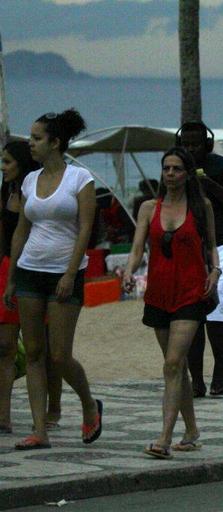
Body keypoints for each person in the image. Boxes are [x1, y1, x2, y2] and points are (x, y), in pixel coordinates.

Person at [3, 109, 102, 450]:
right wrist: (12, 279)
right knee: (33, 352)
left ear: (55, 142)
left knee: (59, 355)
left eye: (36, 138)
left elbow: (86, 228)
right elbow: (20, 232)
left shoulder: (80, 178)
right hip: (30, 269)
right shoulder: (30, 181)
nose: (29, 143)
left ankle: (89, 404)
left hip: (64, 271)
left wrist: (70, 273)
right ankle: (39, 429)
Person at [122, 147, 219, 458]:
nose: (171, 174)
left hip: (192, 292)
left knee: (173, 364)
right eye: (166, 168)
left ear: (187, 173)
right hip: (159, 293)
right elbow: (138, 249)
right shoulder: (149, 208)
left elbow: (213, 246)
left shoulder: (201, 206)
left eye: (177, 169)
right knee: (175, 369)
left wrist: (215, 271)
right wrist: (128, 270)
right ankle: (191, 430)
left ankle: (164, 438)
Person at [177, 121, 223, 398]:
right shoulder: (176, 170)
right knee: (192, 313)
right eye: (186, 144)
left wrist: (209, 184)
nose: (191, 149)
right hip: (188, 248)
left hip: (221, 245)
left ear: (207, 143)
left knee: (218, 309)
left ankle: (220, 371)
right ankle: (197, 378)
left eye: (196, 144)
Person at [0, 141, 64, 434]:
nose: (3, 167)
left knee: (47, 348)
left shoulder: (38, 190)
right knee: (5, 345)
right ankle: (4, 416)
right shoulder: (6, 192)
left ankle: (54, 406)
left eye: (8, 162)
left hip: (39, 266)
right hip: (8, 266)